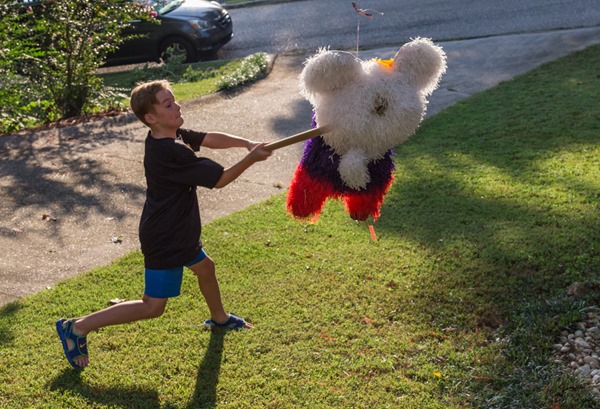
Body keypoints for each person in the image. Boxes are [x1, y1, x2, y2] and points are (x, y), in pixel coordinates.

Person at [56, 79, 272, 369]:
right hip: (166, 236)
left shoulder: (170, 135)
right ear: (151, 118)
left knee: (205, 267)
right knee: (152, 306)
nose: (178, 105)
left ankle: (220, 319)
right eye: (168, 104)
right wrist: (251, 158)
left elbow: (207, 137)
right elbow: (220, 180)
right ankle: (78, 327)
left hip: (178, 230)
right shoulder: (169, 153)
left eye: (175, 100)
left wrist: (246, 143)